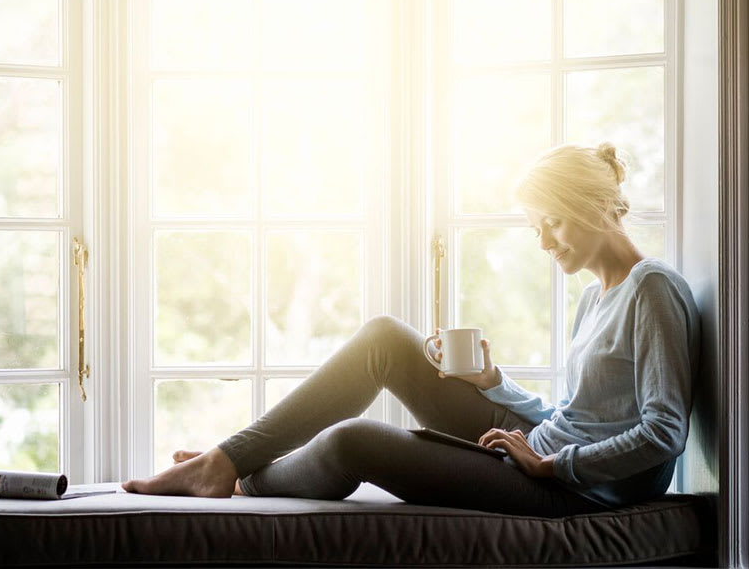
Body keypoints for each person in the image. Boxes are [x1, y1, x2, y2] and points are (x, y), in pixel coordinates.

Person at [123, 142, 700, 516]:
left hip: (569, 488)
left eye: (552, 223)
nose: (545, 242)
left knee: (355, 440)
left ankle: (233, 477)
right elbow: (576, 417)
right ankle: (228, 460)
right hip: (539, 453)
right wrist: (493, 382)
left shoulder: (653, 289)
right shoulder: (596, 298)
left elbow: (663, 436)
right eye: (536, 228)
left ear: (597, 206)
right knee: (384, 338)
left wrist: (552, 467)